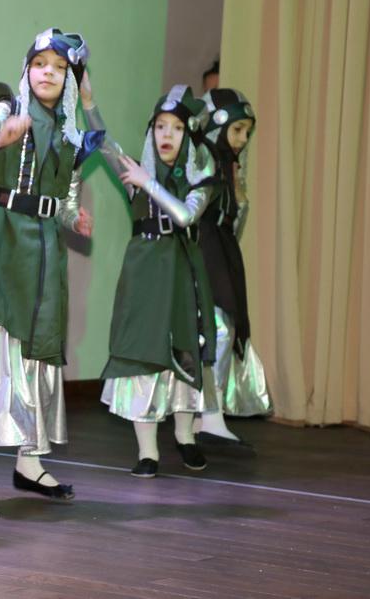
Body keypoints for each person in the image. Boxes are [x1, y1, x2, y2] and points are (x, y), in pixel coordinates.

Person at [0, 28, 100, 516]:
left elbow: (65, 197)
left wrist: (74, 218)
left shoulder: (70, 134)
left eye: (59, 67)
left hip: (45, 250)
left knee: (37, 358)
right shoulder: (7, 107)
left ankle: (30, 464)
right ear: (27, 69)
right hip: (2, 243)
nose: (48, 72)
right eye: (40, 63)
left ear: (71, 79)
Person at [84, 80, 220, 478]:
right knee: (140, 354)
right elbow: (104, 143)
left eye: (176, 128)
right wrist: (89, 102)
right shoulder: (135, 169)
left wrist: (148, 183)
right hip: (143, 272)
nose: (167, 135)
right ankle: (148, 452)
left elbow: (186, 216)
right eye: (160, 126)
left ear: (187, 135)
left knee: (184, 350)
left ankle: (185, 437)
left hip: (182, 270)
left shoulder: (201, 176)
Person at [194, 88, 270, 446]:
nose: (241, 139)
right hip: (203, 247)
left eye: (246, 133)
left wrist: (241, 198)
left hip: (223, 249)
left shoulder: (229, 166)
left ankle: (208, 414)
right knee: (219, 328)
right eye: (237, 130)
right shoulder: (201, 160)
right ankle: (207, 414)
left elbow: (233, 223)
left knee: (227, 326)